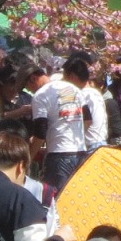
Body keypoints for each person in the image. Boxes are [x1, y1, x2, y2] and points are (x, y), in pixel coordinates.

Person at [31, 56, 92, 190]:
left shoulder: (41, 95)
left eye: (26, 86)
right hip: (80, 152)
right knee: (76, 197)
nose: (28, 90)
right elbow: (88, 119)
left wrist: (29, 157)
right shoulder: (76, 90)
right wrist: (76, 132)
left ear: (32, 79)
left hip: (59, 156)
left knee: (55, 200)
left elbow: (40, 131)